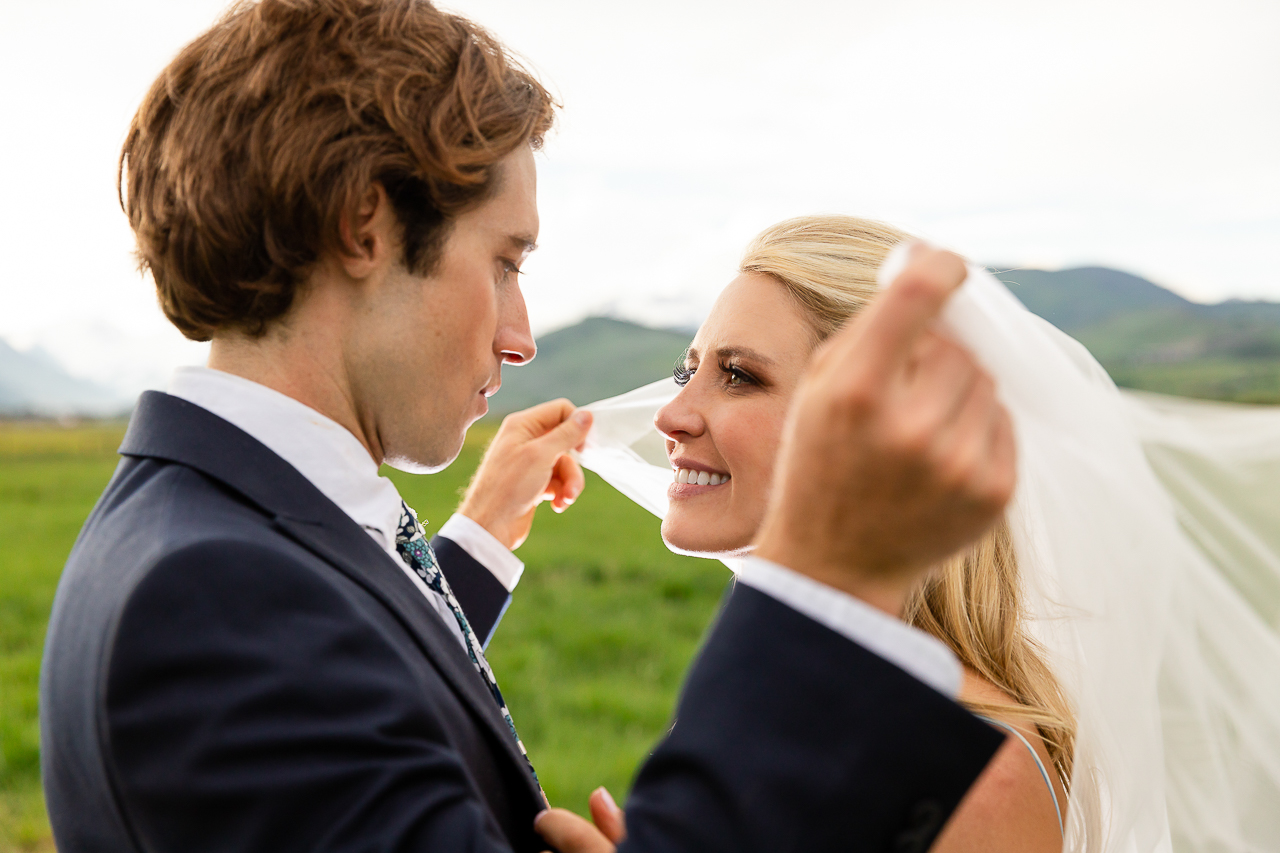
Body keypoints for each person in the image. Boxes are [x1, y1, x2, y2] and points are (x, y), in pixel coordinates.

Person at [39, 3, 1013, 852]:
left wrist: (476, 540)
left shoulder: (217, 535)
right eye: (505, 261)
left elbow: (364, 681)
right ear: (364, 225)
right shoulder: (214, 595)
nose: (519, 336)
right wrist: (825, 585)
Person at [652, 216, 1070, 852]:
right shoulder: (783, 678)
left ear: (883, 426)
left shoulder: (978, 768)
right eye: (690, 371)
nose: (671, 414)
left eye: (738, 375)